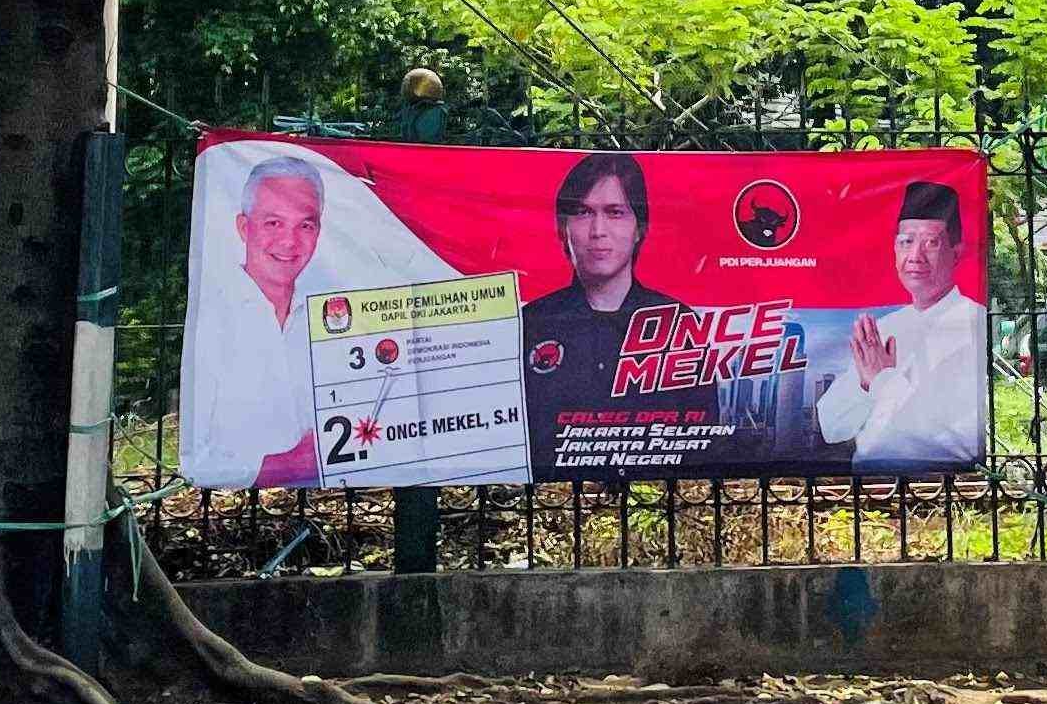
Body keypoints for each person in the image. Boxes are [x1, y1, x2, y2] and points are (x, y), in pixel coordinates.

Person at [177, 144, 455, 489]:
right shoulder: (213, 316)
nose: (289, 242)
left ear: (319, 231)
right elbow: (199, 457)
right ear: (244, 227)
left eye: (305, 225)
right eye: (274, 223)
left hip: (328, 502)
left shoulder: (328, 314)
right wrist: (288, 465)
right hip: (240, 512)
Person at [519, 152, 709, 481]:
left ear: (639, 228)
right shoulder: (530, 324)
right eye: (582, 213)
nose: (598, 231)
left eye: (615, 212)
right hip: (553, 502)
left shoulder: (679, 324)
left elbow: (706, 441)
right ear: (563, 228)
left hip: (658, 499)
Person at [816, 179, 987, 465]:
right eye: (906, 242)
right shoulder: (885, 328)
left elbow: (947, 436)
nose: (915, 257)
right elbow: (831, 426)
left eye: (931, 243)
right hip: (868, 482)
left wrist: (881, 381)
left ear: (956, 254)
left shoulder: (974, 322)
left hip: (939, 483)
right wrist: (865, 385)